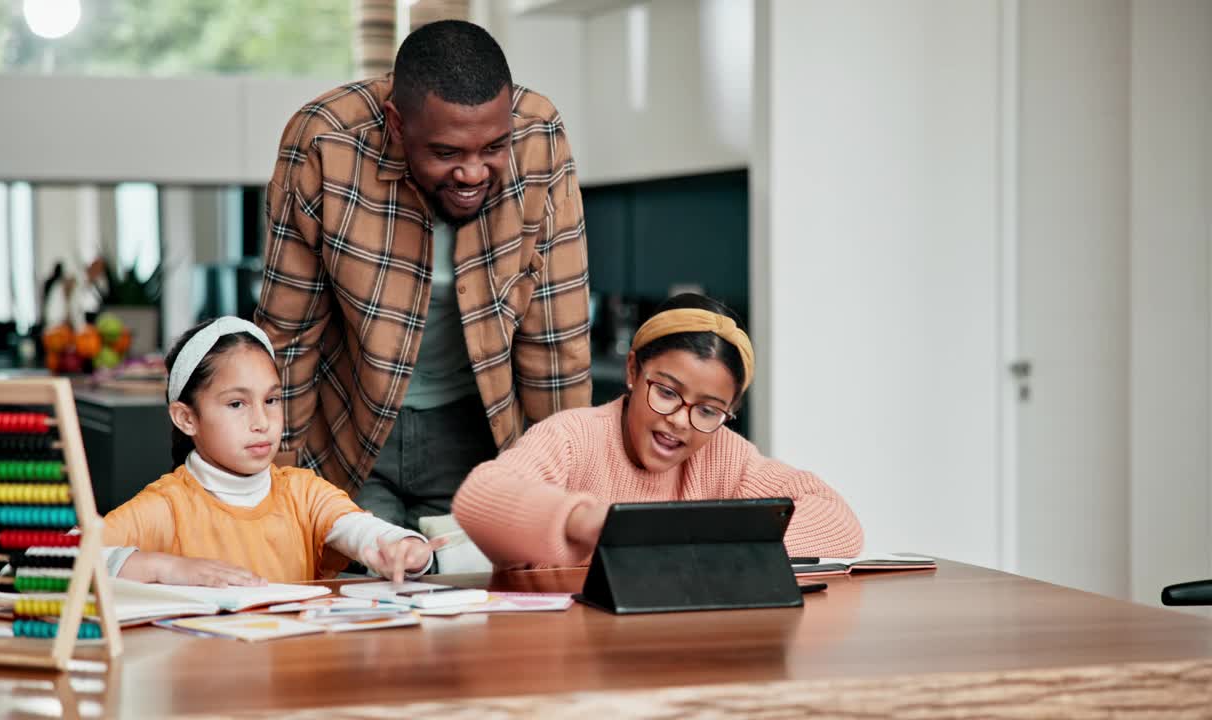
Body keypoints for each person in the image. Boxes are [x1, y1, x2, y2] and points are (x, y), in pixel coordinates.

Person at [254, 19, 592, 532]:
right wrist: (273, 495)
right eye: (447, 153)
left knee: (476, 601)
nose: (474, 173)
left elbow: (556, 343)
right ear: (396, 123)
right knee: (362, 595)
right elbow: (290, 337)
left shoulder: (540, 137)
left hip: (477, 431)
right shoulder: (324, 140)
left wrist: (567, 500)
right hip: (348, 430)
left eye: (493, 148)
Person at [453, 294, 865, 568]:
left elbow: (837, 522)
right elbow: (480, 496)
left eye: (708, 409)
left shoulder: (725, 454)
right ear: (633, 370)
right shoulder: (574, 437)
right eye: (667, 392)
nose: (680, 421)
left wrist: (692, 543)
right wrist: (584, 521)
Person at [101, 317, 443, 587]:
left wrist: (405, 547)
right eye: (237, 404)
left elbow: (358, 529)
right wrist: (166, 567)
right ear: (186, 418)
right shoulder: (166, 506)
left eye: (271, 400)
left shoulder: (303, 492)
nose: (261, 421)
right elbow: (60, 561)